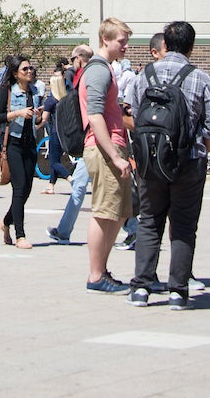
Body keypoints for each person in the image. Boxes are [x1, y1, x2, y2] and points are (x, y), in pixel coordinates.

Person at [127, 20, 210, 311]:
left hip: (150, 161)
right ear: (192, 47)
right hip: (187, 162)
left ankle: (141, 287)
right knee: (183, 226)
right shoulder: (200, 78)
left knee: (149, 221)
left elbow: (132, 113)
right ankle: (178, 291)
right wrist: (198, 151)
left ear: (164, 45)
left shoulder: (144, 75)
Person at [80, 17, 134, 294]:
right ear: (106, 40)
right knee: (104, 212)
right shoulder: (99, 70)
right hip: (103, 148)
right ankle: (95, 274)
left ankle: (101, 270)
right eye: (121, 41)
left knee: (117, 212)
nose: (126, 46)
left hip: (110, 145)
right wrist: (114, 155)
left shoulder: (105, 69)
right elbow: (95, 115)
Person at [0, 55, 42, 249]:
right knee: (19, 187)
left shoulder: (34, 91)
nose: (29, 72)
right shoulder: (8, 91)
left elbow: (36, 121)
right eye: (25, 69)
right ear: (15, 73)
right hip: (13, 144)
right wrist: (17, 113)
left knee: (27, 188)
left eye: (31, 68)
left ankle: (6, 221)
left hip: (30, 143)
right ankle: (20, 235)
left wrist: (38, 116)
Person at [48, 44, 94, 243]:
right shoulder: (81, 78)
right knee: (80, 187)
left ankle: (132, 226)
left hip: (93, 141)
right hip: (88, 142)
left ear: (79, 59)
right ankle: (64, 231)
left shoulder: (87, 78)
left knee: (108, 189)